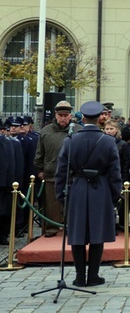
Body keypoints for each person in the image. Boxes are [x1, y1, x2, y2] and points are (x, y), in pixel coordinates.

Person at [55, 101, 121, 287]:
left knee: (77, 233)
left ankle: (79, 276)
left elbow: (61, 171)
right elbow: (115, 173)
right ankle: (93, 275)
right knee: (97, 234)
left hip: (77, 187)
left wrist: (61, 195)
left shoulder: (70, 140)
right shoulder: (108, 141)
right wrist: (114, 196)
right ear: (101, 118)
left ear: (82, 118)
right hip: (100, 189)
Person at [34, 100, 82, 237]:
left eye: (66, 115)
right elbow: (39, 153)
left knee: (72, 202)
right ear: (55, 115)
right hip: (51, 172)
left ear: (70, 116)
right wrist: (40, 170)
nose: (63, 118)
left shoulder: (78, 130)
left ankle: (71, 226)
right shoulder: (45, 131)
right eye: (60, 115)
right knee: (52, 203)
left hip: (74, 174)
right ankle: (51, 227)